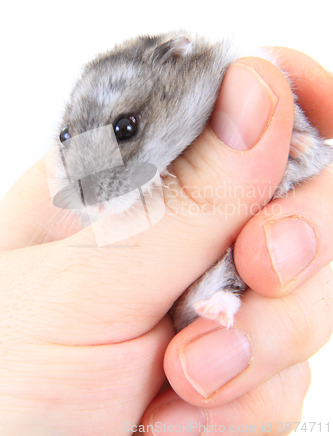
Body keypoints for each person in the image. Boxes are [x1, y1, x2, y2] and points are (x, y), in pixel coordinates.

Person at [0, 48, 332, 435]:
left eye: (124, 130)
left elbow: (310, 161)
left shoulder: (236, 80)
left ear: (182, 62)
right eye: (68, 138)